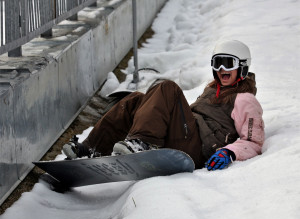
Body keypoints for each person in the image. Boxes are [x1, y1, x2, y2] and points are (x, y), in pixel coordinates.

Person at [63, 40, 265, 171]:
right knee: (135, 99)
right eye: (217, 62)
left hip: (199, 148)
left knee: (167, 88)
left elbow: (254, 141)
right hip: (186, 136)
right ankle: (92, 148)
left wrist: (229, 152)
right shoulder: (212, 90)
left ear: (243, 67)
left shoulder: (245, 99)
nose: (221, 69)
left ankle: (142, 142)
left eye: (228, 63)